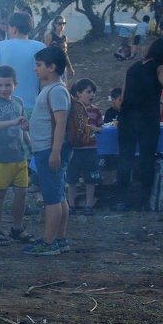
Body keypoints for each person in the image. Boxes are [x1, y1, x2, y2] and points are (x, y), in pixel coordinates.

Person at [117, 38, 163, 211]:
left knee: (125, 159)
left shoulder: (133, 67)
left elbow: (122, 97)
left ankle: (121, 200)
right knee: (146, 160)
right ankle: (144, 202)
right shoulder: (160, 68)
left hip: (126, 118)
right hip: (146, 120)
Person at [19, 46, 74, 255]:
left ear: (52, 67)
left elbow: (61, 124)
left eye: (39, 65)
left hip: (50, 149)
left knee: (51, 198)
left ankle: (49, 242)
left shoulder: (57, 90)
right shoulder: (52, 89)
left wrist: (55, 152)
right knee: (58, 195)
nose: (35, 69)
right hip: (47, 148)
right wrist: (30, 126)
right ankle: (60, 239)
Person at [0, 65, 33, 246]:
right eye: (0, 85)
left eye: (8, 85)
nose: (4, 89)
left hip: (18, 155)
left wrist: (30, 144)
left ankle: (17, 228)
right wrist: (12, 122)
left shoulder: (18, 102)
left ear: (15, 84)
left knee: (22, 193)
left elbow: (22, 127)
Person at [0, 12, 45, 116]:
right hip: (32, 108)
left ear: (14, 29)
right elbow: (44, 83)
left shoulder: (2, 46)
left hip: (5, 108)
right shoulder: (40, 47)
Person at [65, 78, 103, 216]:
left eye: (93, 92)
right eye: (88, 92)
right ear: (79, 93)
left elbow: (101, 128)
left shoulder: (96, 111)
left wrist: (94, 128)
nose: (91, 95)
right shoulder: (71, 110)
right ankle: (71, 204)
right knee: (71, 178)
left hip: (90, 149)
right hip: (74, 150)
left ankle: (88, 204)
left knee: (90, 178)